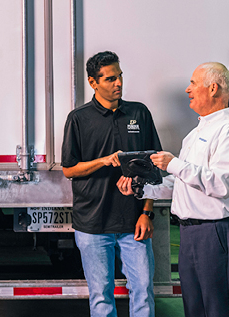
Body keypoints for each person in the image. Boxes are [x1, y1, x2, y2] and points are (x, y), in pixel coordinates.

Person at [121, 62, 229, 317]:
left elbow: (221, 184)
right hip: (192, 233)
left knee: (219, 308)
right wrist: (142, 190)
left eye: (193, 83)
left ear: (213, 88)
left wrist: (174, 164)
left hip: (217, 232)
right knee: (195, 308)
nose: (187, 89)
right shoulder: (197, 133)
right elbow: (183, 182)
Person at [62, 51, 159, 317]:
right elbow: (69, 169)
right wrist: (104, 161)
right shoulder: (78, 119)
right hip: (93, 224)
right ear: (93, 82)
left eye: (120, 77)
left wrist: (147, 213)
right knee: (101, 297)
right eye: (110, 79)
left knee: (143, 291)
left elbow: (155, 168)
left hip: (134, 223)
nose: (118, 83)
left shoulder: (139, 113)